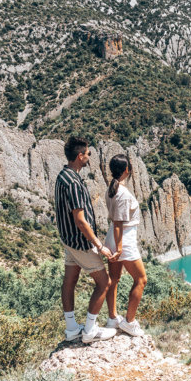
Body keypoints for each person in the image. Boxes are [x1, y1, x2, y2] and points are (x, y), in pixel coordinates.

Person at [55, 137, 117, 343]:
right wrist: (99, 246)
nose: (89, 157)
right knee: (104, 282)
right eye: (88, 154)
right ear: (80, 156)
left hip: (68, 240)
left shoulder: (63, 175)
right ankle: (90, 330)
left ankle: (72, 328)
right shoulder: (73, 182)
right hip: (80, 242)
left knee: (70, 281)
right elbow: (80, 221)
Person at [103, 154, 147, 337]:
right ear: (126, 170)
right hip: (123, 240)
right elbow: (120, 222)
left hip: (113, 237)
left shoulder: (112, 189)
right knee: (141, 279)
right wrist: (120, 249)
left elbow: (116, 222)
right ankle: (129, 321)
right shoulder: (121, 192)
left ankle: (113, 318)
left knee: (114, 279)